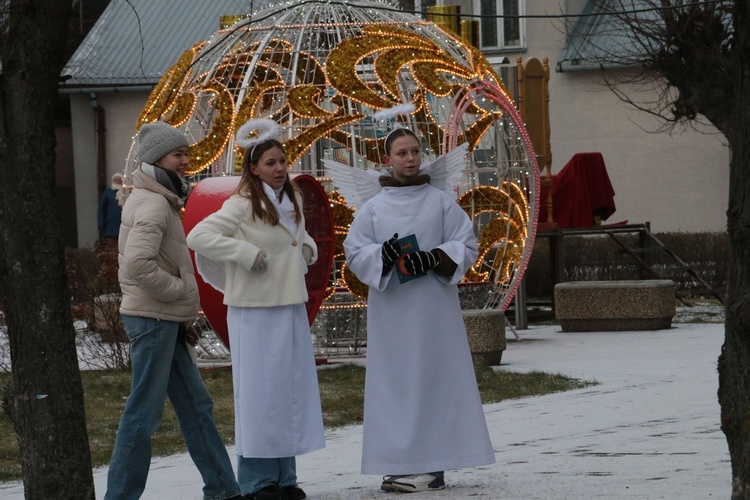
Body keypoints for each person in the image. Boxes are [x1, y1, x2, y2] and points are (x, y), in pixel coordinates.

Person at [343, 128, 496, 493]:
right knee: (396, 384)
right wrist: (383, 255)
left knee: (433, 380)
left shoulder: (440, 202)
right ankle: (399, 463)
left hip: (433, 311)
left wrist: (438, 257)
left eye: (414, 152)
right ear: (387, 159)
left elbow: (466, 243)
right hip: (393, 311)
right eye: (401, 153)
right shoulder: (374, 208)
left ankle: (432, 465)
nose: (410, 159)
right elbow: (354, 251)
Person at [186, 121, 325, 500]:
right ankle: (257, 481)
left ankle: (284, 478)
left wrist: (308, 249)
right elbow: (198, 236)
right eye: (270, 163)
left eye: (282, 161)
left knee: (288, 392)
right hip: (255, 311)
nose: (279, 168)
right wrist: (245, 254)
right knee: (260, 395)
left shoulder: (291, 199)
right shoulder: (242, 203)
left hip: (289, 306)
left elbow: (298, 238)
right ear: (253, 168)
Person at [106, 121, 242, 500]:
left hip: (166, 319)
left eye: (186, 154)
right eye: (178, 154)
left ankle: (224, 490)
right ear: (157, 159)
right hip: (152, 320)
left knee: (196, 406)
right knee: (143, 416)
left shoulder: (162, 198)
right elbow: (138, 265)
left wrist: (182, 311)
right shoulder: (151, 202)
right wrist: (182, 292)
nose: (185, 162)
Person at [97, 172, 124, 251]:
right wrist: (100, 224)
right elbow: (101, 209)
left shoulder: (125, 192)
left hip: (123, 224)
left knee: (122, 248)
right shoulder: (108, 193)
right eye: (116, 180)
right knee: (111, 248)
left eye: (119, 180)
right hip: (110, 226)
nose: (118, 182)